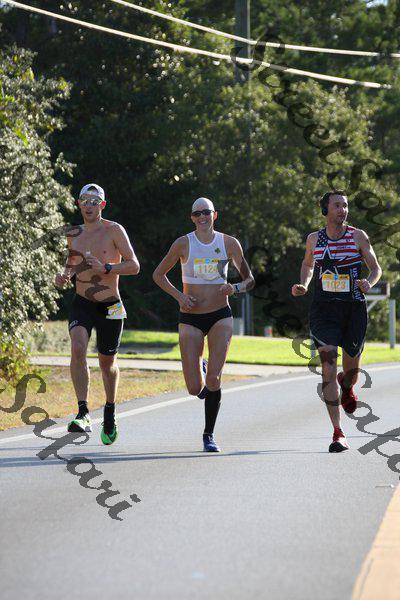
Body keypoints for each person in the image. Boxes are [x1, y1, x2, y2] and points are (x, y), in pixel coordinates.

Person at [153, 197, 254, 452]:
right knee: (193, 388)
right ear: (192, 218)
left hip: (220, 315)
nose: (202, 217)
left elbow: (250, 280)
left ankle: (209, 435)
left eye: (206, 212)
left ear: (214, 215)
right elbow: (158, 275)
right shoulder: (183, 243)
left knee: (214, 379)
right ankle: (203, 368)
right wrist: (180, 296)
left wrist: (235, 288)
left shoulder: (229, 243)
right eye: (197, 213)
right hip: (191, 317)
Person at [292, 191, 382, 452]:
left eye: (345, 205)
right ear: (326, 210)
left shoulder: (357, 236)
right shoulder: (314, 239)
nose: (342, 210)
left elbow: (376, 268)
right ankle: (338, 432)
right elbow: (308, 265)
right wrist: (304, 283)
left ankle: (347, 385)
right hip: (324, 311)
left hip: (353, 309)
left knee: (351, 371)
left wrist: (369, 282)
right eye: (337, 205)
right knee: (328, 367)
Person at [55, 183, 140, 444]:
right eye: (85, 201)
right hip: (82, 302)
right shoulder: (74, 233)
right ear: (78, 204)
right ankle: (83, 412)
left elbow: (134, 266)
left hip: (110, 305)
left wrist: (107, 267)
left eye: (94, 201)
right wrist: (64, 276)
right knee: (78, 347)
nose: (89, 206)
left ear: (102, 205)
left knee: (107, 363)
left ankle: (110, 411)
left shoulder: (114, 230)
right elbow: (72, 263)